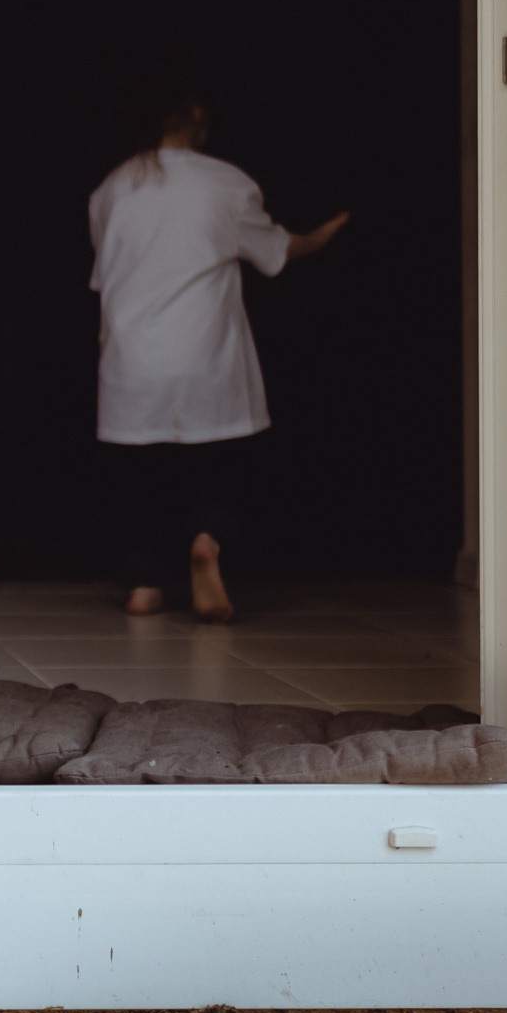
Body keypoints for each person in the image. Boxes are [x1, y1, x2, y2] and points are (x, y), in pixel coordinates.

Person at [88, 94, 348, 622]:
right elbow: (277, 250)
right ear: (199, 118)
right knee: (217, 463)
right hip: (202, 351)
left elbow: (104, 272)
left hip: (132, 354)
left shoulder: (111, 188)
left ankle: (144, 583)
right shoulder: (226, 183)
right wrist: (319, 237)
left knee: (138, 473)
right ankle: (206, 539)